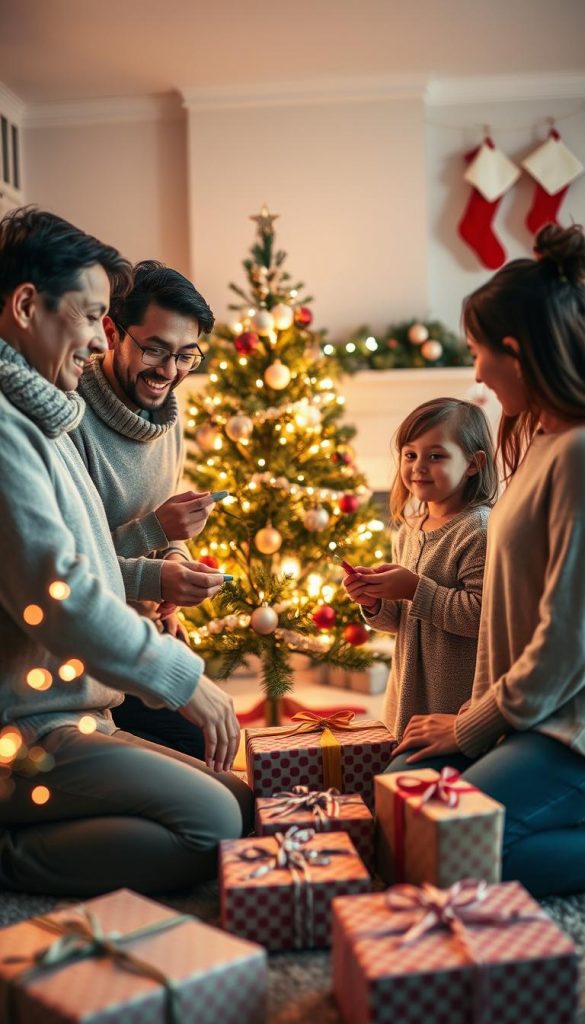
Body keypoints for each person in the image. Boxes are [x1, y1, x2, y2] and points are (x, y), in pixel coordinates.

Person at [0, 207, 252, 897]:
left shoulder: (44, 414)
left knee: (236, 803)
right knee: (214, 829)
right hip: (23, 735)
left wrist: (157, 584)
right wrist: (182, 678)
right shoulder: (8, 431)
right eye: (90, 318)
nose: (94, 338)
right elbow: (61, 594)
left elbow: (87, 566)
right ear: (27, 306)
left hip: (78, 712)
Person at [388, 223, 585, 897]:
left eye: (476, 352)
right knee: (401, 803)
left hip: (566, 726)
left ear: (515, 350)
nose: (473, 372)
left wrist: (471, 724)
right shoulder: (539, 442)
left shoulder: (578, 454)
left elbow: (565, 638)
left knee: (448, 852)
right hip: (525, 715)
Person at [70, 261, 221, 759]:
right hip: (86, 647)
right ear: (112, 331)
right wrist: (155, 563)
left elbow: (162, 530)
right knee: (199, 747)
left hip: (148, 626)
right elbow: (63, 570)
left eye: (186, 356)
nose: (169, 371)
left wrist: (174, 559)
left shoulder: (167, 420)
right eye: (155, 349)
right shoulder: (70, 421)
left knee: (215, 741)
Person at [343, 397, 496, 741]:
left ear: (473, 464)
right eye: (410, 455)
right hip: (406, 698)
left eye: (436, 456)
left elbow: (481, 617)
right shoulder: (410, 529)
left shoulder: (479, 530)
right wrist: (374, 602)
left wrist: (414, 588)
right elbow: (403, 621)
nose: (418, 466)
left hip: (454, 709)